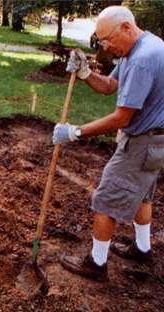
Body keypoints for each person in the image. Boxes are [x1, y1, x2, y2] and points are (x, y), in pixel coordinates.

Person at [52, 6, 164, 281]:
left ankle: (96, 264)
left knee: (105, 201)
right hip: (158, 141)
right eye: (101, 40)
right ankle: (142, 248)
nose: (106, 46)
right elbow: (110, 86)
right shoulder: (142, 46)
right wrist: (85, 73)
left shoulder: (142, 58)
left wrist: (75, 132)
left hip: (140, 142)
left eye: (108, 39)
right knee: (143, 194)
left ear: (126, 27)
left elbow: (122, 118)